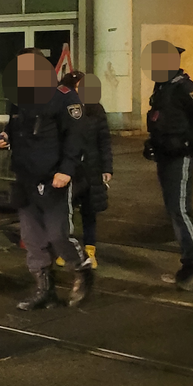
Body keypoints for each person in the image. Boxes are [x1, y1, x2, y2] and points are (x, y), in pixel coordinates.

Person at [0, 49, 93, 310]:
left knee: (58, 235)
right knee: (33, 239)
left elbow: (76, 136)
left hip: (54, 179)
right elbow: (15, 129)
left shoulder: (64, 97)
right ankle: (44, 289)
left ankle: (83, 271)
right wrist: (6, 138)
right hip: (25, 177)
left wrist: (67, 170)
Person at [143, 41, 193, 291]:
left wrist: (190, 141)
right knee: (173, 209)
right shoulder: (162, 88)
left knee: (180, 209)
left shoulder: (185, 87)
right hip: (166, 154)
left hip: (182, 155)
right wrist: (152, 142)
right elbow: (160, 119)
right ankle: (189, 262)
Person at [59, 72, 112, 269]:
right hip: (69, 169)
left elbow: (104, 140)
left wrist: (107, 168)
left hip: (92, 169)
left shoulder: (95, 109)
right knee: (66, 211)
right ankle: (67, 250)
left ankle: (90, 251)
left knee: (90, 213)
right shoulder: (62, 108)